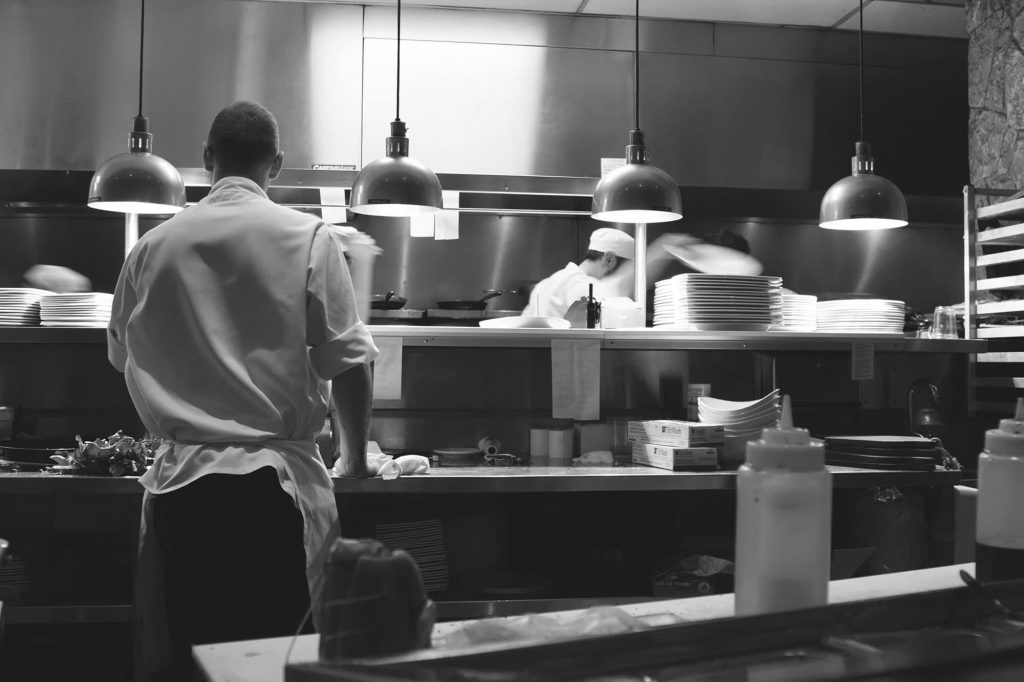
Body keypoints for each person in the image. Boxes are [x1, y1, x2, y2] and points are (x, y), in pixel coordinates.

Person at [107, 101, 378, 680]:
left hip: (181, 492)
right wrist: (353, 457)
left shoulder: (152, 246)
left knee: (194, 657)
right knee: (280, 663)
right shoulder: (309, 236)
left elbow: (121, 357)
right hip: (272, 495)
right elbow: (349, 362)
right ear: (275, 165)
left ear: (206, 160)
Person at [523, 227, 699, 322]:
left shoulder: (546, 283)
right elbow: (616, 287)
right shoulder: (578, 285)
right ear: (609, 259)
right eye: (631, 267)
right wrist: (664, 248)